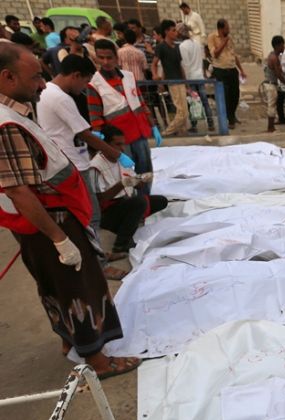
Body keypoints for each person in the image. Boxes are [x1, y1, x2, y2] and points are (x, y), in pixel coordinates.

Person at [0, 44, 140, 377]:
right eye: (35, 77)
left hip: (52, 217)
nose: (43, 84)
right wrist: (60, 239)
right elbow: (19, 191)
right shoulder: (7, 125)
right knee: (80, 286)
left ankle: (70, 340)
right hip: (49, 221)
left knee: (57, 285)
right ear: (7, 77)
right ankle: (98, 361)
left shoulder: (16, 112)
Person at [37, 54, 135, 278]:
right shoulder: (60, 98)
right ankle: (99, 266)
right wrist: (116, 155)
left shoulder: (49, 94)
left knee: (87, 215)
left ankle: (96, 256)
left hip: (66, 159)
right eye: (84, 82)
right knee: (91, 215)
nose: (83, 88)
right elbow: (85, 134)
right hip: (70, 164)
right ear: (75, 75)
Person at [87, 39, 162, 187]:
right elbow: (95, 116)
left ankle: (146, 198)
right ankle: (132, 200)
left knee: (145, 168)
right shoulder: (94, 84)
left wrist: (153, 126)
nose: (106, 61)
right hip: (118, 137)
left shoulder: (128, 76)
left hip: (139, 131)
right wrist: (100, 140)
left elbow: (140, 103)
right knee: (125, 173)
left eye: (109, 57)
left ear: (116, 57)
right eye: (101, 58)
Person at [89, 124, 167, 254]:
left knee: (161, 201)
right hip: (107, 212)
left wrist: (140, 180)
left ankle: (128, 223)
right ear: (104, 144)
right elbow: (99, 200)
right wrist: (122, 184)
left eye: (123, 144)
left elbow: (134, 183)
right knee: (139, 203)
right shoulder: (95, 166)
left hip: (125, 203)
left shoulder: (121, 161)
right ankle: (121, 245)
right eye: (117, 144)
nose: (122, 148)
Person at [208, 18, 246, 130]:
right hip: (220, 70)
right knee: (225, 96)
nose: (228, 30)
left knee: (235, 95)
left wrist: (241, 70)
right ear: (221, 28)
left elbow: (234, 55)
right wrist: (224, 42)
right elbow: (215, 54)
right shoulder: (212, 38)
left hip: (232, 69)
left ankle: (232, 115)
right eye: (227, 28)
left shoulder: (230, 39)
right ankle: (229, 119)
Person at [153, 19, 188, 137]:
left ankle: (182, 131)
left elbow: (179, 65)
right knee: (182, 112)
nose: (176, 33)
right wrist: (156, 76)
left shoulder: (176, 47)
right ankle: (167, 132)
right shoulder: (161, 47)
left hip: (180, 81)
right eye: (173, 30)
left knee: (184, 111)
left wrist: (185, 81)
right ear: (166, 31)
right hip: (172, 82)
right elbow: (155, 64)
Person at [179, 23, 214, 132]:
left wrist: (186, 83)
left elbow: (185, 64)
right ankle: (211, 123)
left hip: (191, 77)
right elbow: (202, 60)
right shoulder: (197, 44)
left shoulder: (182, 46)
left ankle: (194, 125)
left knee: (193, 102)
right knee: (204, 101)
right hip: (199, 76)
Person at [263, 35, 285, 132]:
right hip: (271, 84)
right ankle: (270, 127)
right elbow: (278, 74)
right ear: (278, 45)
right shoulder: (274, 58)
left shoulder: (273, 56)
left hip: (271, 83)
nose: (284, 47)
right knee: (272, 106)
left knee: (272, 105)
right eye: (282, 45)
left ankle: (271, 127)